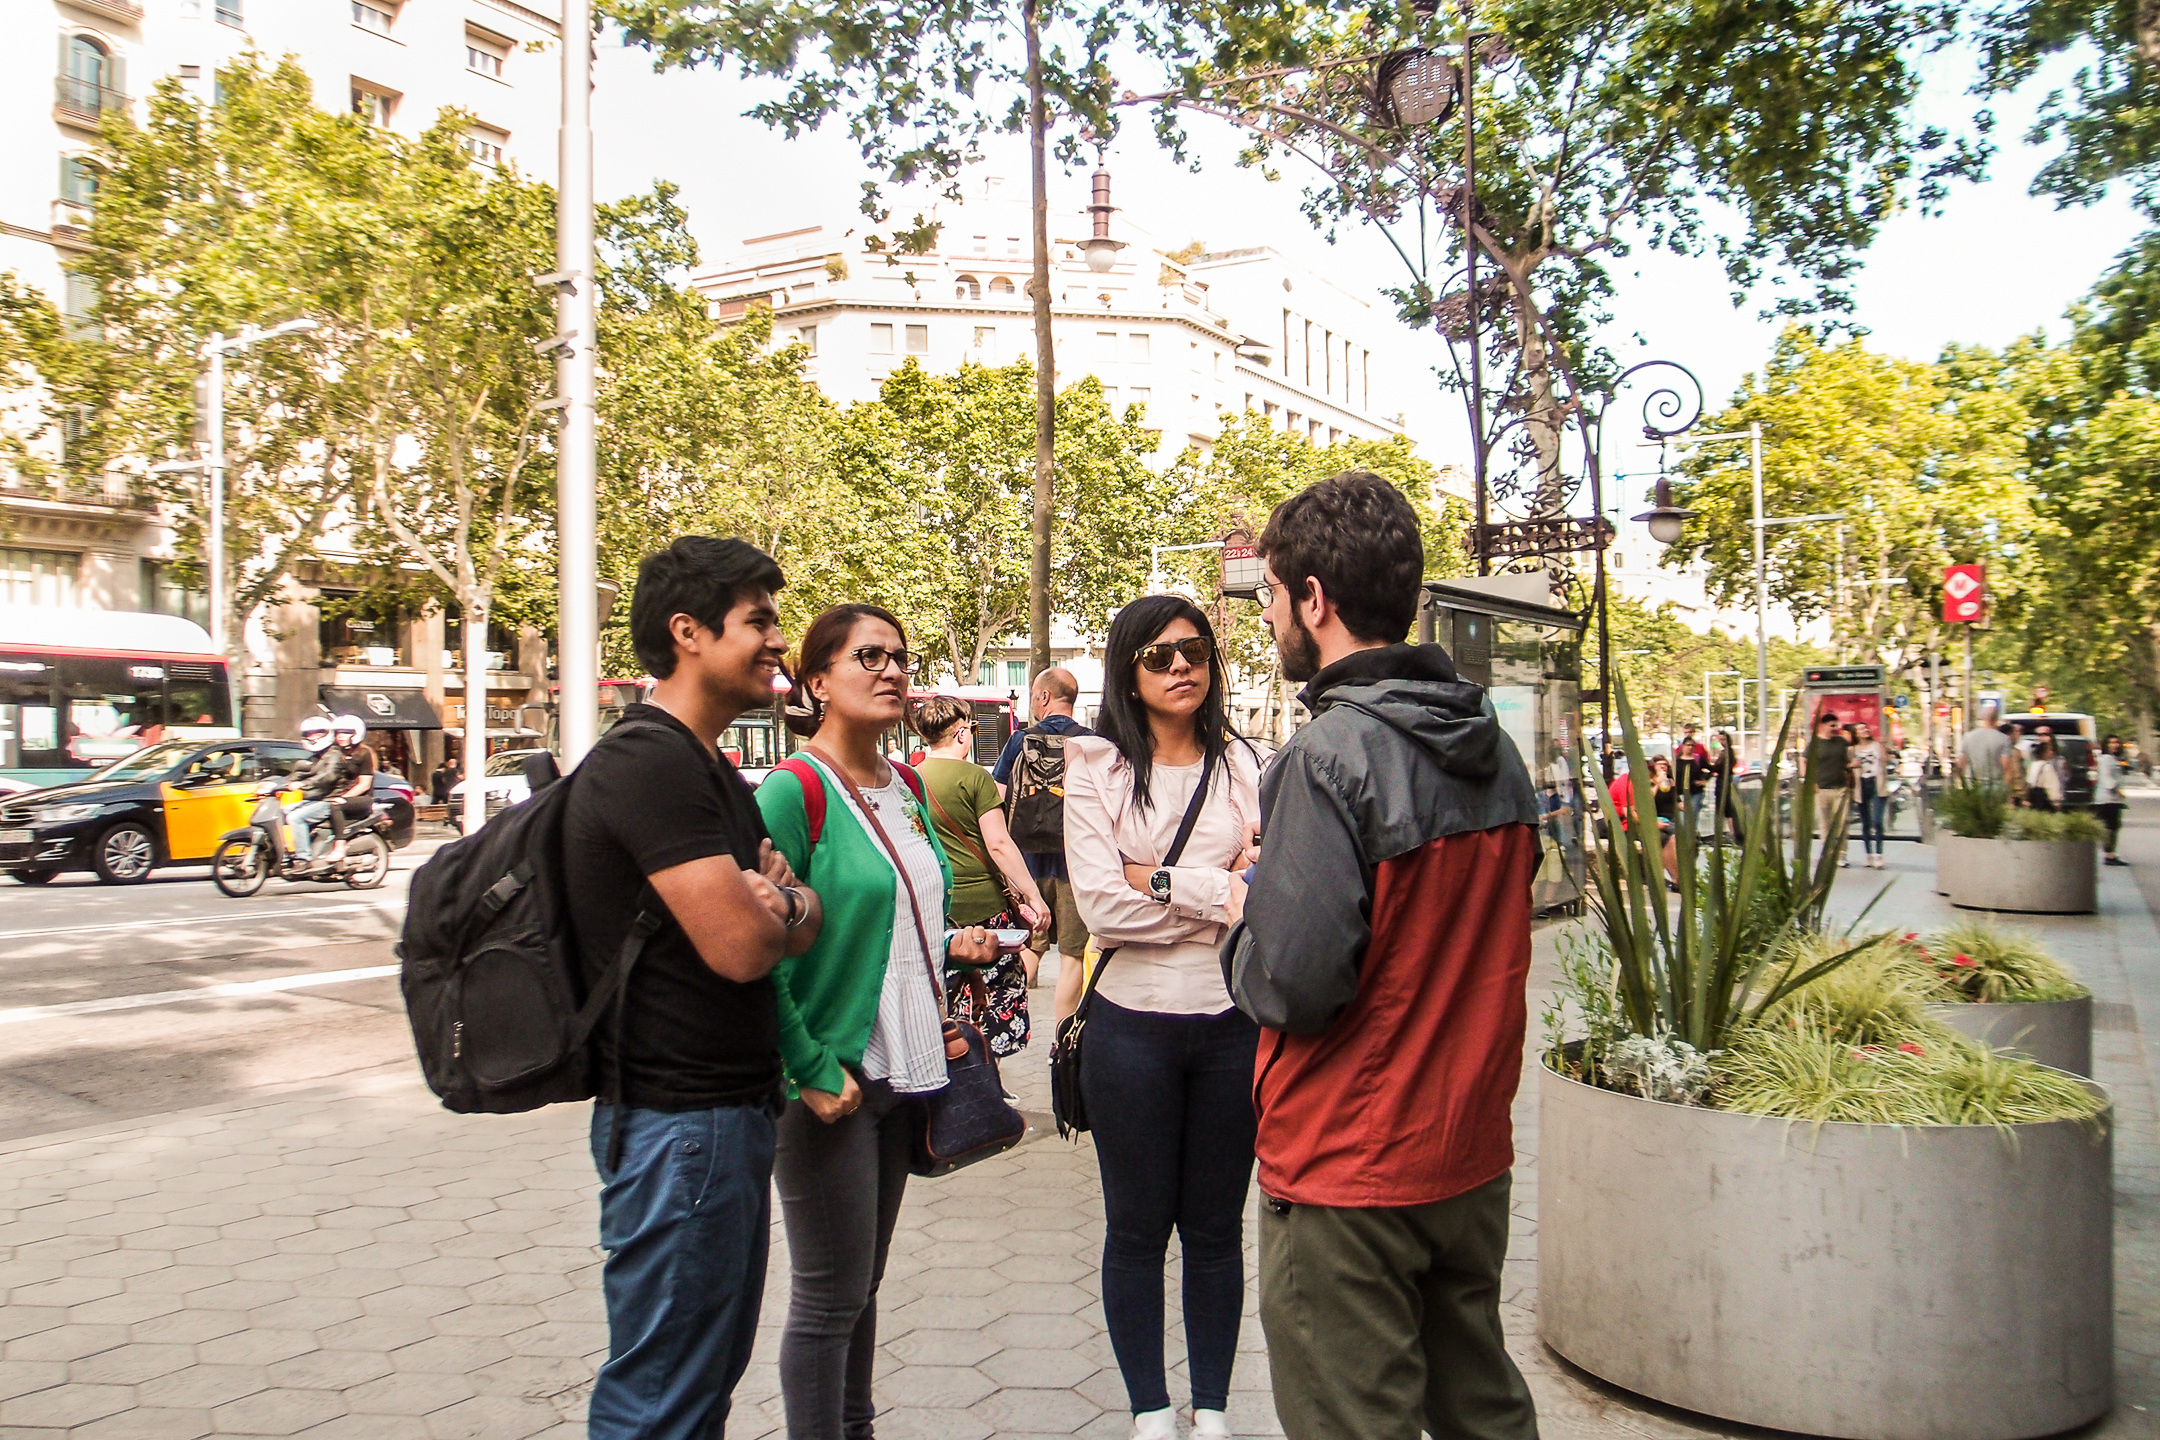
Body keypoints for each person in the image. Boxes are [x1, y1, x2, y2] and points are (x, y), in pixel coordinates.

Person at [1223, 470, 1542, 1440]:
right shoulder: (1495, 750)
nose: (1268, 616)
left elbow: (1296, 983)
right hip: (1467, 1158)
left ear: (1315, 600)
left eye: (1273, 595)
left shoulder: (1325, 760)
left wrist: (1247, 910)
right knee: (1482, 1410)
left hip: (1349, 1172)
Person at [563, 536, 823, 1440]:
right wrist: (785, 907)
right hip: (681, 1129)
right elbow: (747, 947)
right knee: (662, 1401)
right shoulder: (653, 762)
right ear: (688, 632)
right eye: (759, 622)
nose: (777, 641)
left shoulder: (709, 766)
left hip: (720, 1123)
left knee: (697, 1387)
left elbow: (793, 917)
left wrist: (785, 901)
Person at [755, 605, 1000, 1440]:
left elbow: (902, 914)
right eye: (869, 656)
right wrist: (810, 1068)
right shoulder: (794, 791)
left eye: (900, 657)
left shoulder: (906, 788)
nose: (892, 670)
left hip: (908, 1061)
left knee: (863, 1288)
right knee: (826, 1299)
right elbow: (760, 951)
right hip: (833, 1071)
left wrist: (954, 946)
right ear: (818, 681)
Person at [1063, 594, 1263, 1440]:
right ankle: (1150, 1409)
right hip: (1129, 1027)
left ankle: (1210, 1410)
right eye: (1157, 655)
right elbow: (1103, 908)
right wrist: (1218, 890)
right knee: (1137, 1229)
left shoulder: (1246, 762)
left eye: (1193, 649)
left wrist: (1154, 877)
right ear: (1129, 674)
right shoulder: (1094, 766)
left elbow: (1271, 895)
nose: (1180, 665)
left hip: (1231, 1026)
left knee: (1217, 1231)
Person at [912, 694, 1049, 1055]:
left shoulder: (909, 780)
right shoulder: (976, 778)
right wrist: (1032, 894)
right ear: (960, 734)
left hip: (936, 915)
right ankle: (989, 1087)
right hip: (986, 915)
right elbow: (999, 844)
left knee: (946, 1013)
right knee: (991, 1010)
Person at [992, 666, 1093, 982]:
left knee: (1031, 948)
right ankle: (1063, 1031)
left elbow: (996, 799)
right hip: (1076, 867)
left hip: (1028, 866)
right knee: (1072, 957)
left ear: (1044, 696)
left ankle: (1017, 1018)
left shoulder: (1019, 741)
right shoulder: (1093, 743)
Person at [283, 715, 345, 865]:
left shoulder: (334, 755)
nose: (312, 737)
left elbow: (328, 776)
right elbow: (302, 772)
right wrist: (282, 783)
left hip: (329, 800)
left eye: (317, 733)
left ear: (326, 733)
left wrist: (303, 784)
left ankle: (303, 858)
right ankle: (286, 851)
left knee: (295, 817)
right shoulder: (316, 757)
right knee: (283, 811)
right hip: (316, 799)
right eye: (308, 734)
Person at [320, 714, 378, 867]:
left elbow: (364, 784)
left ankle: (339, 847)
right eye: (338, 732)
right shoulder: (334, 753)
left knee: (336, 805)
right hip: (338, 795)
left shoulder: (363, 754)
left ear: (356, 733)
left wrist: (344, 797)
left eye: (345, 733)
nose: (340, 736)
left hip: (361, 798)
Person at [1806, 712, 1855, 865]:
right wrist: (1810, 781)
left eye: (1837, 725)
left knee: (1842, 821)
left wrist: (1851, 766)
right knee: (1825, 823)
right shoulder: (1815, 744)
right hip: (1822, 788)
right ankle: (1828, 853)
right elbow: (1804, 761)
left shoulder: (1841, 742)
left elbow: (1847, 761)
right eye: (1832, 726)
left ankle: (1841, 854)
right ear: (1823, 726)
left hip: (1841, 787)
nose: (1835, 729)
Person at [1853, 720, 1889, 869]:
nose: (1865, 731)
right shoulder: (1853, 749)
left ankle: (1879, 854)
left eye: (1866, 728)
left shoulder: (1876, 745)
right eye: (1861, 729)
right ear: (1856, 734)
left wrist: (1883, 746)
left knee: (1877, 820)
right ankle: (1868, 854)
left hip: (1877, 784)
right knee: (1865, 822)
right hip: (1861, 784)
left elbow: (1886, 760)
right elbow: (1848, 765)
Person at [1957, 703, 2015, 788]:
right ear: (1997, 719)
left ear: (1982, 718)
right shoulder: (2003, 739)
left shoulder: (1968, 737)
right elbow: (2006, 766)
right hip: (1995, 786)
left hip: (1973, 785)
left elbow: (1961, 763)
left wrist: (1963, 784)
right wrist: (2007, 789)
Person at [1674, 724, 1711, 834]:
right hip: (1681, 791)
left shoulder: (1699, 754)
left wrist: (1704, 780)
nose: (1690, 747)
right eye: (1687, 745)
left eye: (1692, 745)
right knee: (1682, 816)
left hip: (1695, 791)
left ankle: (1692, 836)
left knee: (1693, 815)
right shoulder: (1677, 758)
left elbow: (1710, 768)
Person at [2099, 735, 2129, 866]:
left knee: (2113, 826)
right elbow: (2106, 777)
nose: (2115, 745)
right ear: (2105, 745)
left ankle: (2110, 853)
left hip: (2112, 799)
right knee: (2111, 827)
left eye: (2117, 742)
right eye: (2111, 742)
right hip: (2107, 799)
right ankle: (2109, 855)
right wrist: (2116, 789)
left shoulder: (2112, 758)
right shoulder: (2106, 759)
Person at [2024, 730, 2066, 811]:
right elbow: (2051, 785)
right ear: (2044, 752)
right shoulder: (2047, 767)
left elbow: (2029, 781)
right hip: (2045, 801)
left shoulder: (2033, 765)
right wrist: (2056, 802)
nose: (2051, 752)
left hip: (2034, 799)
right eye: (2049, 750)